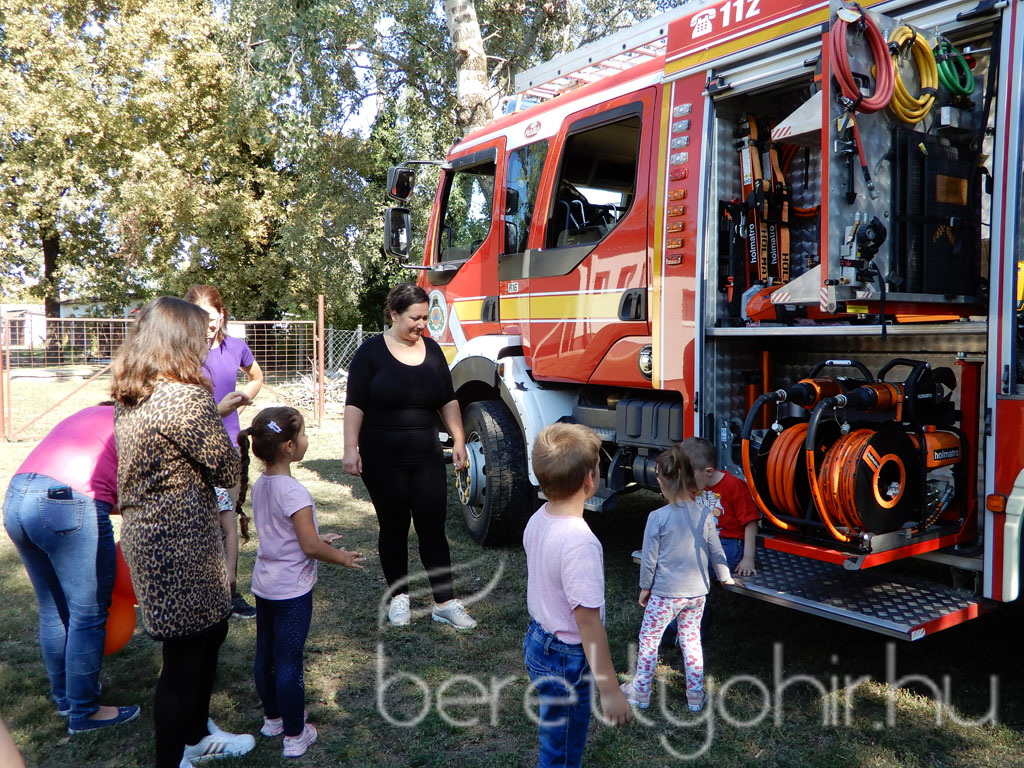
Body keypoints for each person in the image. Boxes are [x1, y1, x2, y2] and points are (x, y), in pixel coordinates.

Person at [111, 296, 255, 768]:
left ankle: (196, 735)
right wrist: (221, 414)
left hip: (150, 538)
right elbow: (223, 466)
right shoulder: (186, 396)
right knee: (185, 659)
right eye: (197, 336)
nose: (203, 345)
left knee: (206, 636)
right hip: (181, 543)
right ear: (179, 340)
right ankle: (173, 759)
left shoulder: (135, 393)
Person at [342, 283, 476, 630]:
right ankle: (399, 597)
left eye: (425, 318)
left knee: (433, 527)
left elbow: (447, 399)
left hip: (427, 454)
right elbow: (355, 404)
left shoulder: (432, 352)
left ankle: (445, 602)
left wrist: (459, 439)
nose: (422, 325)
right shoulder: (370, 354)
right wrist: (349, 448)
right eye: (414, 318)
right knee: (394, 527)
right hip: (382, 456)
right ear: (394, 314)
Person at [237, 406, 365, 758]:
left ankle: (273, 718)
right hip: (292, 591)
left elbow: (288, 535)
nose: (308, 439)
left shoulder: (262, 485)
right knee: (289, 661)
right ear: (290, 447)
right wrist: (340, 556)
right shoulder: (294, 493)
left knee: (266, 655)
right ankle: (295, 735)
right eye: (305, 433)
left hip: (265, 585)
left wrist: (323, 538)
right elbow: (308, 545)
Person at [2, 406, 139, 734]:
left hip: (17, 498)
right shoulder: (133, 425)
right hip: (67, 504)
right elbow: (132, 495)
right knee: (88, 614)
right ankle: (86, 712)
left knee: (53, 611)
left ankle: (65, 698)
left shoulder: (90, 414)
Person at [522, 423, 630, 768]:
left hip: (538, 641)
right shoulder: (580, 544)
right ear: (590, 480)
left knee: (556, 732)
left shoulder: (538, 518)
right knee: (562, 750)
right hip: (565, 658)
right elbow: (588, 624)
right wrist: (610, 690)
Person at [620, 444, 736, 712]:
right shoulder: (705, 514)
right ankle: (695, 696)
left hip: (665, 593)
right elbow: (717, 551)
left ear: (662, 482)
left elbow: (649, 558)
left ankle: (640, 692)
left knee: (649, 640)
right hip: (697, 594)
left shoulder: (657, 517)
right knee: (691, 640)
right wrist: (725, 578)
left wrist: (644, 587)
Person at [185, 284, 264, 620]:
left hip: (227, 448)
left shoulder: (236, 346)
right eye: (202, 318)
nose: (209, 325)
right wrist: (216, 411)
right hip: (190, 447)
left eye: (214, 318)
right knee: (196, 522)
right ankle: (197, 591)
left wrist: (242, 401)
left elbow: (256, 376)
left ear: (223, 315)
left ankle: (230, 592)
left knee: (227, 518)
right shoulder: (182, 352)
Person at [680, 436, 760, 576]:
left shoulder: (735, 486)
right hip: (704, 541)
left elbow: (751, 523)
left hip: (729, 543)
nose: (686, 483)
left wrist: (748, 559)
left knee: (696, 564)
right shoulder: (696, 485)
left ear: (709, 472)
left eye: (688, 479)